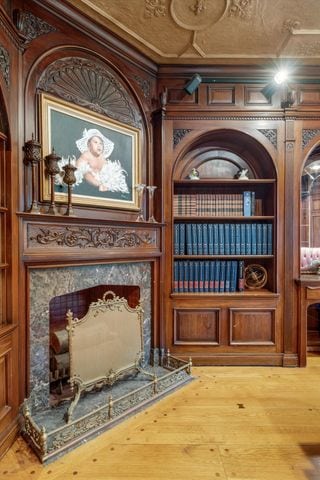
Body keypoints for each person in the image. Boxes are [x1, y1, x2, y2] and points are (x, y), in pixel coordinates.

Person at [74, 128, 129, 193]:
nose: (99, 145)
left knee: (111, 173)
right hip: (89, 176)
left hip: (100, 176)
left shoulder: (102, 157)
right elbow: (78, 168)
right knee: (85, 173)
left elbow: (106, 168)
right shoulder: (86, 155)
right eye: (95, 142)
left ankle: (105, 185)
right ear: (89, 145)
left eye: (101, 143)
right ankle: (99, 184)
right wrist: (79, 169)